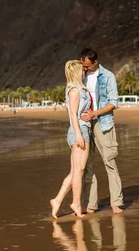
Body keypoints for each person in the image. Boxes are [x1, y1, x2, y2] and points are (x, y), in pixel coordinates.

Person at [79, 48, 124, 214]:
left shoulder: (108, 76)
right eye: (82, 65)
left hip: (102, 123)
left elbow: (113, 103)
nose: (85, 68)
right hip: (84, 125)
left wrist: (94, 114)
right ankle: (91, 205)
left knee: (109, 162)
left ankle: (116, 202)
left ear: (95, 62)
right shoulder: (80, 77)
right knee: (88, 165)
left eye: (87, 66)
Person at [50, 60, 92, 219]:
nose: (84, 72)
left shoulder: (79, 89)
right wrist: (79, 134)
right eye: (82, 70)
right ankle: (75, 203)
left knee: (76, 171)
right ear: (76, 72)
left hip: (81, 130)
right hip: (78, 131)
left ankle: (57, 200)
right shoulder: (74, 91)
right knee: (79, 171)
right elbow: (73, 115)